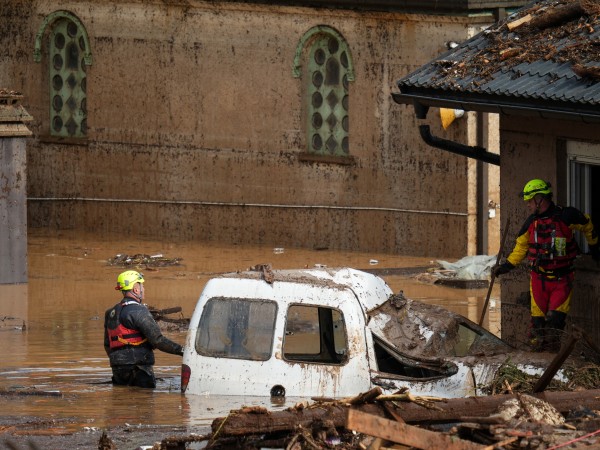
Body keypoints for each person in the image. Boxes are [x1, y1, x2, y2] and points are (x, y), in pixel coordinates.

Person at [494, 179, 599, 352]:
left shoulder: (567, 216)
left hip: (562, 279)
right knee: (537, 327)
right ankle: (536, 358)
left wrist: (594, 247)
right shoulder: (530, 223)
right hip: (538, 280)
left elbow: (587, 225)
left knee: (554, 324)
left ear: (539, 199)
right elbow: (520, 248)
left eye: (529, 201)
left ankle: (552, 359)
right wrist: (505, 267)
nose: (527, 205)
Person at [104, 270, 184, 388]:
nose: (144, 289)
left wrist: (120, 360)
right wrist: (183, 351)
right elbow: (158, 340)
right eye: (142, 286)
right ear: (136, 290)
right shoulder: (139, 311)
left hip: (118, 369)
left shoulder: (110, 313)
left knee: (121, 400)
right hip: (139, 368)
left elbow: (107, 345)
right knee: (145, 402)